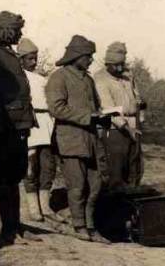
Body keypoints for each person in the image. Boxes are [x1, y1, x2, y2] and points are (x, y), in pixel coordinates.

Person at [0, 11, 37, 246]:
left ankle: (15, 225)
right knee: (5, 178)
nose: (20, 34)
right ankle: (8, 230)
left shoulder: (8, 55)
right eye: (16, 30)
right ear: (5, 31)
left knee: (15, 176)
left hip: (18, 126)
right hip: (5, 128)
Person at [46, 35, 109, 243]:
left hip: (91, 140)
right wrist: (88, 117)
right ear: (77, 56)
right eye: (88, 56)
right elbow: (56, 108)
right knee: (77, 185)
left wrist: (102, 117)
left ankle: (91, 226)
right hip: (70, 140)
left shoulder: (88, 79)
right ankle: (79, 226)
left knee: (95, 185)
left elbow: (96, 106)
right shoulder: (59, 77)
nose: (91, 60)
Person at [19, 37, 61, 225]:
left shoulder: (42, 79)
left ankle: (45, 206)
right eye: (29, 58)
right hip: (30, 123)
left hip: (46, 122)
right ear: (21, 59)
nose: (33, 62)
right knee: (30, 166)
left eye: (35, 58)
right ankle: (33, 208)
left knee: (47, 165)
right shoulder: (18, 78)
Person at [95, 42, 145, 190]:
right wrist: (129, 130)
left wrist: (141, 114)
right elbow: (109, 109)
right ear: (108, 63)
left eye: (122, 64)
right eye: (116, 65)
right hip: (115, 129)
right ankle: (116, 198)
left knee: (134, 165)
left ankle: (132, 195)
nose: (120, 68)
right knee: (117, 168)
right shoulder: (100, 79)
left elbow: (137, 97)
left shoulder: (128, 76)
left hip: (134, 125)